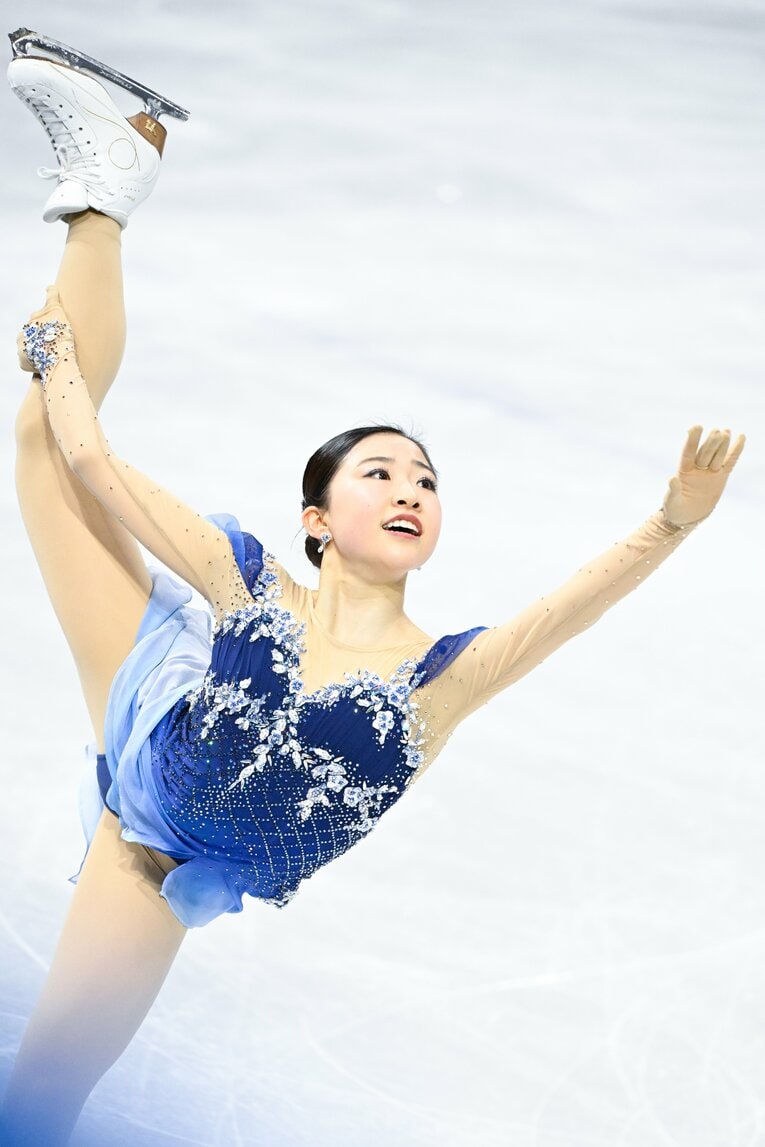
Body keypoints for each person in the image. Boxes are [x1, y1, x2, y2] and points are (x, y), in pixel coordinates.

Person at [1, 49, 745, 1147]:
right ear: (317, 519)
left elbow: (572, 606)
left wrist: (671, 523)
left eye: (427, 480)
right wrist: (51, 358)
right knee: (39, 442)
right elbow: (96, 463)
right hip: (154, 743)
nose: (410, 490)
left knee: (37, 1109)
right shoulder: (247, 579)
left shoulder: (441, 676)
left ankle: (115, 182)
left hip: (157, 861)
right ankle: (102, 197)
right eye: (381, 473)